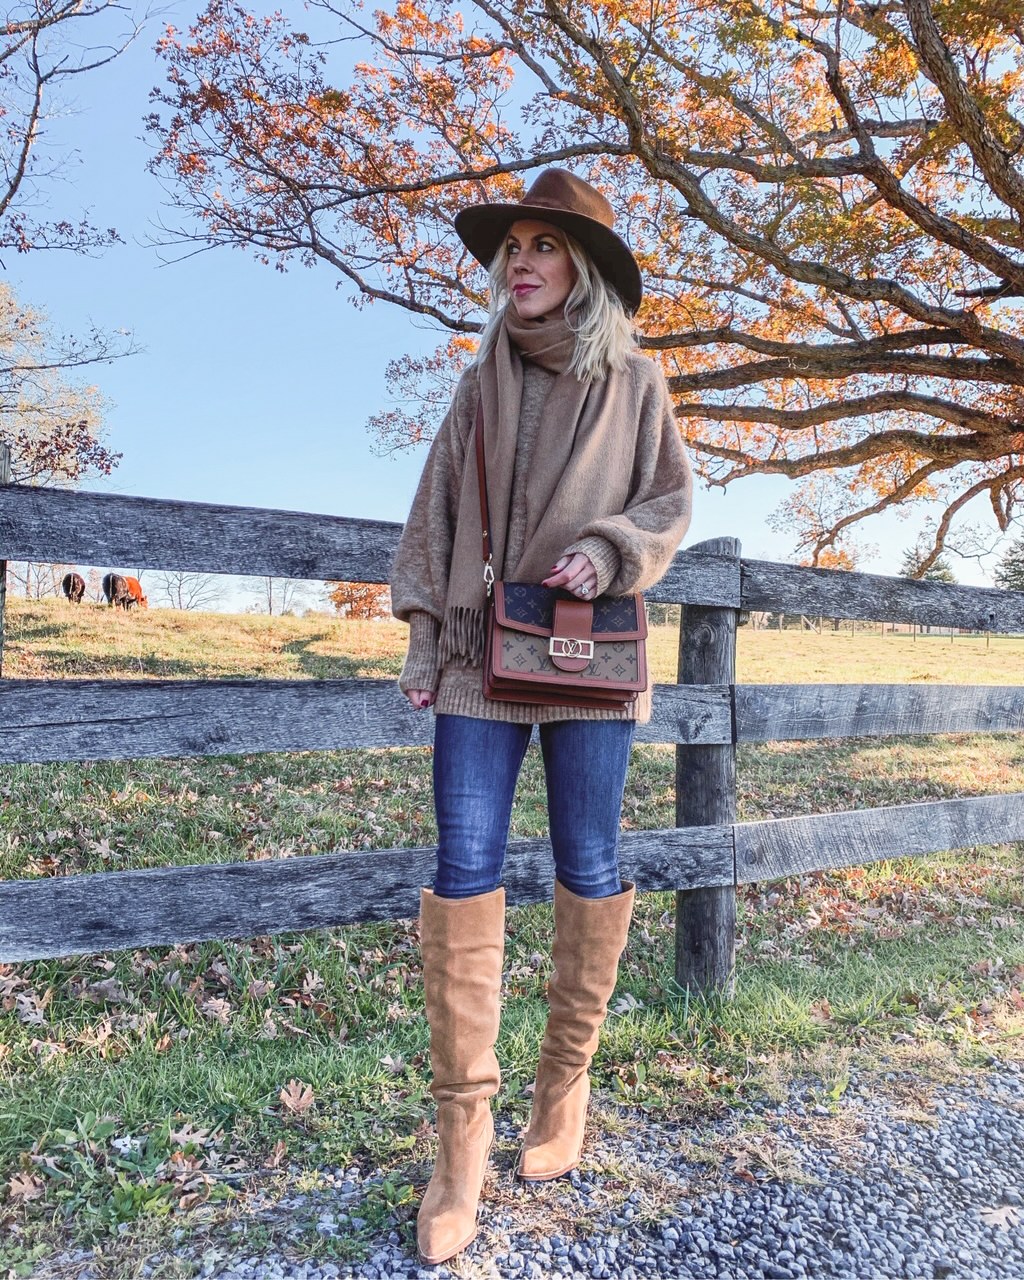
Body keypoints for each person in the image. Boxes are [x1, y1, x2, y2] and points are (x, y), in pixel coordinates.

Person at [390, 168, 693, 1266]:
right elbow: (432, 515)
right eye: (511, 245)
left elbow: (669, 501)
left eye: (544, 246)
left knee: (590, 856)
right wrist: (426, 638)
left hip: (587, 654)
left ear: (586, 271)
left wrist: (608, 548)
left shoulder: (636, 383)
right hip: (478, 658)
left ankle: (560, 1093)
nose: (520, 260)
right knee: (463, 864)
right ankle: (457, 1150)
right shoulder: (479, 387)